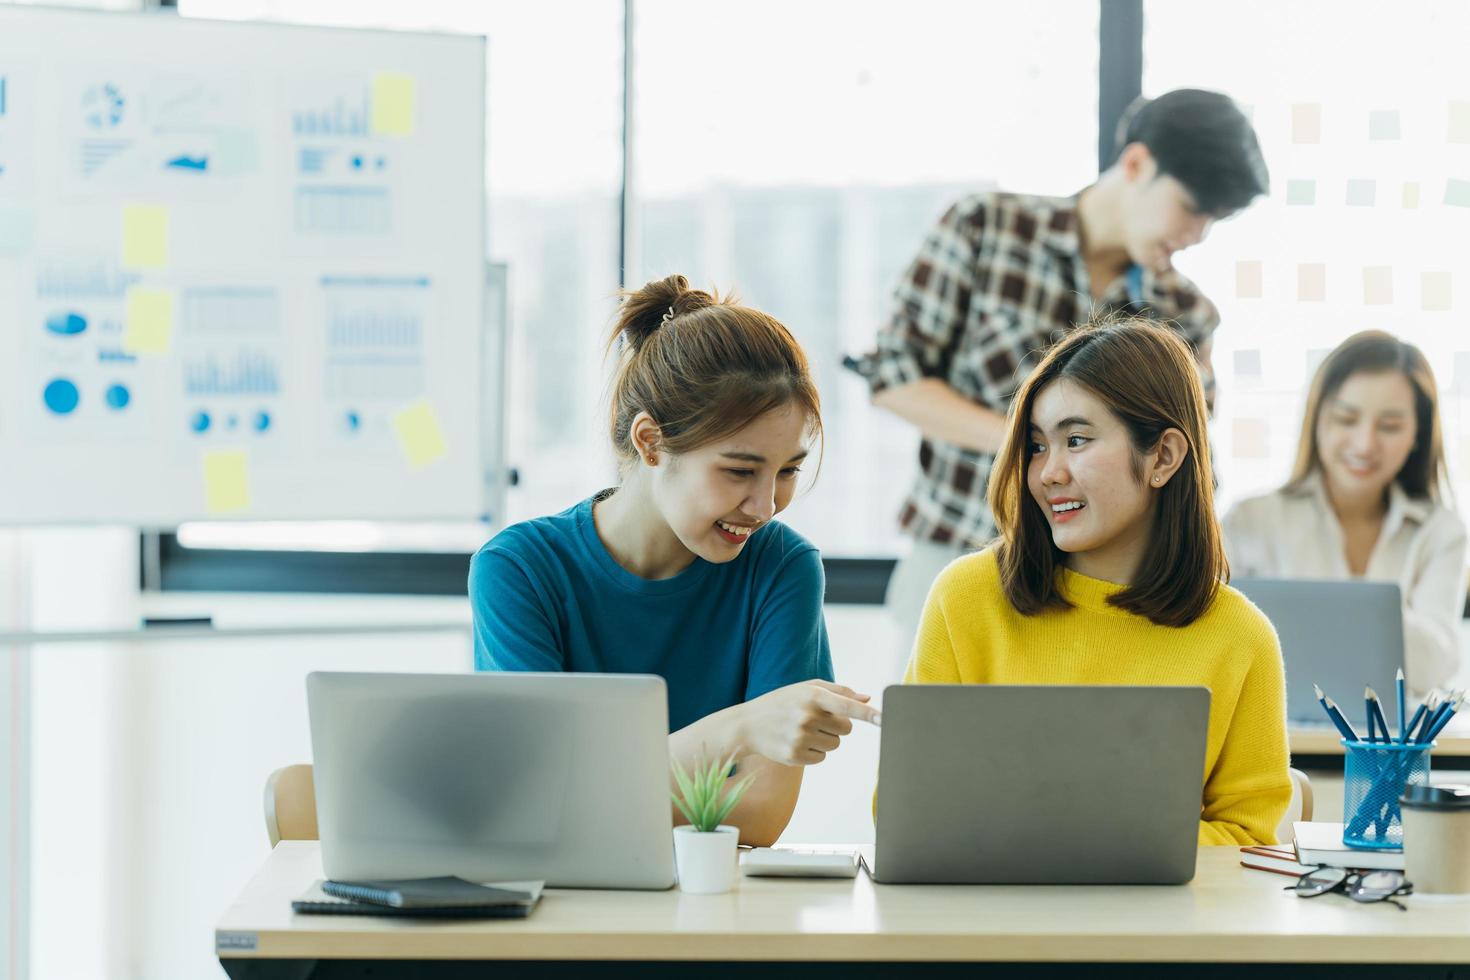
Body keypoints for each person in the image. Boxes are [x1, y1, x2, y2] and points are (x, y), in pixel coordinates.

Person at [848, 89, 1270, 665]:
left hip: (1108, 592)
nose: (1196, 234)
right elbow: (894, 374)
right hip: (956, 549)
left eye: (1213, 221)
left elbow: (1186, 462)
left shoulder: (1186, 314)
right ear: (1137, 164)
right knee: (930, 749)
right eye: (1192, 208)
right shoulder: (987, 227)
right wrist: (1033, 441)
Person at [469, 274, 881, 846]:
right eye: (740, 470)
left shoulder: (782, 567)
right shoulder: (519, 568)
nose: (766, 506)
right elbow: (537, 803)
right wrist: (738, 730)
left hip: (714, 914)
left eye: (787, 471)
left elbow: (760, 815)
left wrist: (587, 796)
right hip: (560, 912)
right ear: (651, 442)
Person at [901, 319, 1291, 845]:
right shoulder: (966, 597)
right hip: (997, 920)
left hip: (1162, 925)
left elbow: (1247, 833)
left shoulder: (1241, 636)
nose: (1047, 473)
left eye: (1076, 440)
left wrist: (1080, 846)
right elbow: (907, 811)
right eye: (1037, 446)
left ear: (1163, 457)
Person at [1222, 331, 1467, 696]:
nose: (1365, 443)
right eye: (1346, 418)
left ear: (1418, 433)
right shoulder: (1250, 521)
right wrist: (1373, 621)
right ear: (1317, 419)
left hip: (1395, 748)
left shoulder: (1441, 531)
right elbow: (1226, 652)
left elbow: (1432, 667)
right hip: (1278, 738)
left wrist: (1314, 616)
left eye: (1390, 426)